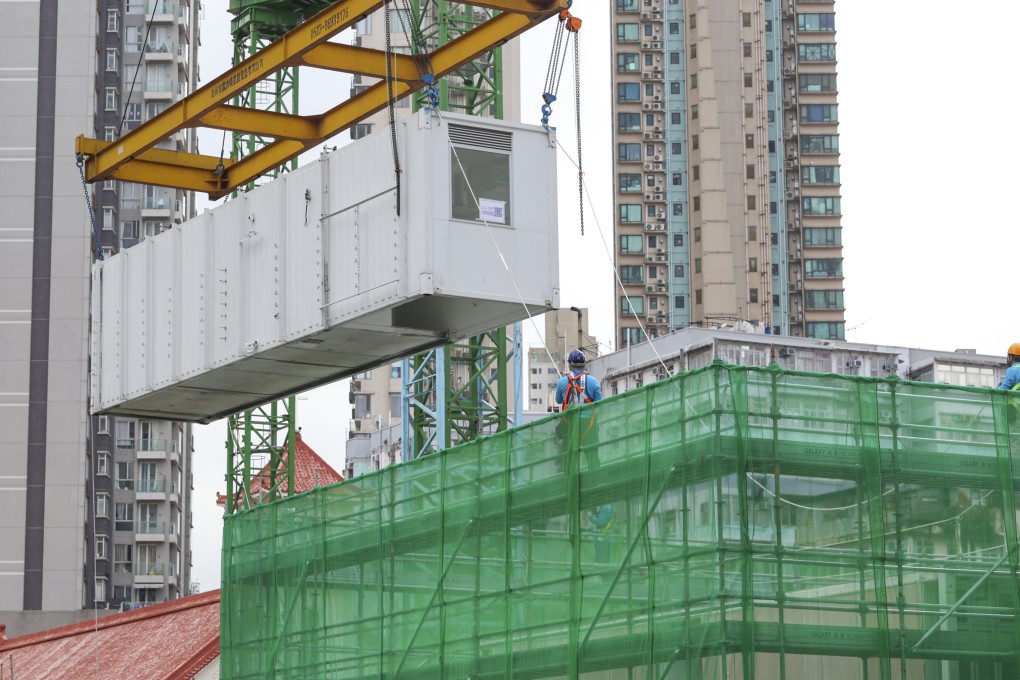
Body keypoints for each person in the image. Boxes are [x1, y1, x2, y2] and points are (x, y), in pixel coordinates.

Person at [555, 349, 603, 468]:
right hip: (589, 424)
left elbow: (559, 400)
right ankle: (595, 480)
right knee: (592, 457)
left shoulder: (562, 382)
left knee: (570, 458)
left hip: (570, 424)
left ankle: (571, 482)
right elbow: (600, 404)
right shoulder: (593, 381)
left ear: (570, 364)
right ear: (584, 364)